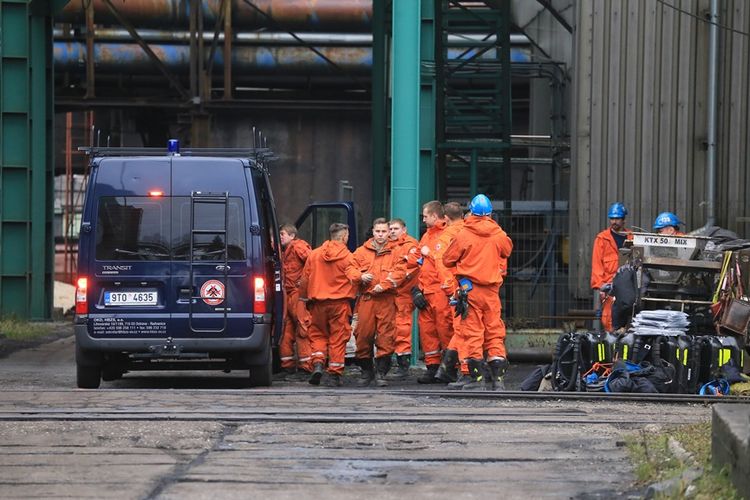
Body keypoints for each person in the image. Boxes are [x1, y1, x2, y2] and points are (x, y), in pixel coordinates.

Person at [443, 194, 513, 390]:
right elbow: (507, 250)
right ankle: (498, 380)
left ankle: (477, 379)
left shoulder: (464, 234)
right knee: (494, 332)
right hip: (491, 291)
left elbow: (448, 259)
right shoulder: (498, 233)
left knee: (472, 333)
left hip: (470, 290)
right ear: (490, 213)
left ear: (471, 211)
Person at [299, 223, 360, 387]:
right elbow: (354, 278)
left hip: (317, 303)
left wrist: (303, 299)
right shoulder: (348, 257)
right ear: (344, 236)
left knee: (317, 335)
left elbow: (305, 278)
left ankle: (318, 363)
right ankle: (334, 373)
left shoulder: (315, 254)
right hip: (339, 304)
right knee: (337, 339)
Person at [350, 218, 405, 386]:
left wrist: (385, 285)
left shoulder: (396, 251)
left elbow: (400, 272)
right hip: (367, 299)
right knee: (362, 336)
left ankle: (381, 373)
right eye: (377, 231)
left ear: (389, 233)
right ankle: (366, 371)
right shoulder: (361, 251)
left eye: (383, 231)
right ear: (373, 232)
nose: (380, 235)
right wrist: (360, 276)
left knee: (386, 337)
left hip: (386, 300)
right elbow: (350, 268)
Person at [415, 201, 456, 383]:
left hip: (440, 290)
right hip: (427, 290)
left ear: (434, 216)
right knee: (427, 332)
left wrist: (428, 253)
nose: (423, 219)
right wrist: (417, 290)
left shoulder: (446, 235)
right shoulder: (427, 236)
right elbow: (420, 264)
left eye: (425, 216)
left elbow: (444, 262)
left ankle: (449, 368)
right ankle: (432, 367)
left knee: (445, 329)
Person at [387, 218, 421, 379]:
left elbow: (412, 266)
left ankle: (403, 365)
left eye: (395, 228)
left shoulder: (410, 245)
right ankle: (392, 363)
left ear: (404, 229)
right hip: (390, 293)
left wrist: (393, 278)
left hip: (403, 293)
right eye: (390, 229)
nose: (392, 231)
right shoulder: (388, 245)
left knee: (402, 328)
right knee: (389, 328)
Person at [278, 224, 312, 380]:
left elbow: (312, 262)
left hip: (297, 294)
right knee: (286, 331)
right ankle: (288, 367)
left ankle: (306, 368)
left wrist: (303, 282)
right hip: (289, 294)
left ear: (292, 236)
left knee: (302, 328)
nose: (281, 237)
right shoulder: (284, 250)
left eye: (283, 234)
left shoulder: (298, 246)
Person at [591, 202, 632, 332]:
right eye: (612, 218)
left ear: (624, 219)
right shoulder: (602, 239)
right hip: (609, 286)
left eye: (617, 219)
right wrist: (600, 287)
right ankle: (612, 345)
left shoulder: (632, 238)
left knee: (629, 317)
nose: (614, 221)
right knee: (609, 319)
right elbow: (597, 265)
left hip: (628, 286)